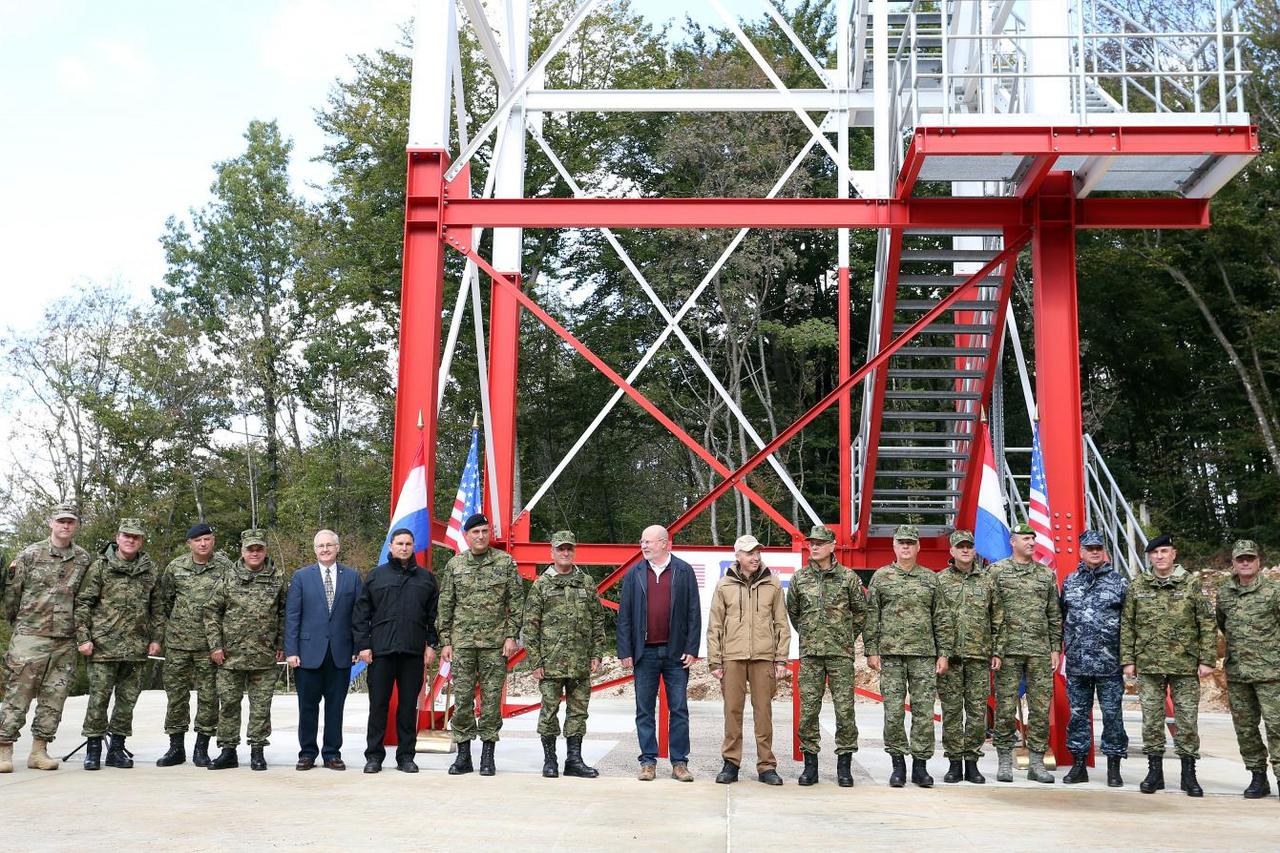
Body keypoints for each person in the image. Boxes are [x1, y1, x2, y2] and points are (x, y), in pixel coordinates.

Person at [1120, 533, 1215, 797]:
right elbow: (1128, 623)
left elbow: (1206, 622)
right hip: (1149, 664)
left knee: (1186, 720)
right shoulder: (1138, 585)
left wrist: (1207, 659)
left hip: (1184, 664)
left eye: (1164, 551)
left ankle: (1188, 774)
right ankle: (1154, 772)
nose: (1160, 557)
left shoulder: (1191, 584)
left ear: (1174, 554)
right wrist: (1128, 659)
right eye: (1155, 553)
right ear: (1149, 557)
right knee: (1151, 720)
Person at [0, 502, 92, 773]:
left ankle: (39, 751)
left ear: (75, 526)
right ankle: (4, 750)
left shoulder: (83, 558)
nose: (65, 525)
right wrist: (21, 626)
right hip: (30, 636)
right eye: (61, 520)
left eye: (70, 522)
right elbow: (11, 596)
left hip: (65, 638)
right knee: (18, 694)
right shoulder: (30, 554)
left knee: (55, 697)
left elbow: (84, 599)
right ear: (51, 523)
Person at [865, 524, 952, 788]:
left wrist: (944, 653)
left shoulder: (930, 578)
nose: (906, 547)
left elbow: (942, 617)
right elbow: (872, 616)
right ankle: (898, 765)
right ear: (894, 546)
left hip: (923, 655)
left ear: (918, 547)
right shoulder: (881, 577)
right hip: (891, 655)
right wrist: (871, 649)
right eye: (901, 542)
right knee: (893, 712)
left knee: (923, 713)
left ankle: (921, 766)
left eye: (910, 543)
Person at [74, 518, 163, 770]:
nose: (131, 540)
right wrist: (84, 637)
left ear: (141, 540)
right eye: (126, 535)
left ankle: (116, 748)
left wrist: (156, 638)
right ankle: (93, 749)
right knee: (98, 700)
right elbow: (83, 604)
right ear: (117, 537)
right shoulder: (100, 567)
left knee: (127, 702)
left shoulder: (149, 569)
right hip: (103, 646)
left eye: (136, 537)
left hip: (136, 647)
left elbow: (156, 607)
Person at [438, 514, 523, 776]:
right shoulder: (455, 565)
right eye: (475, 532)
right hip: (462, 645)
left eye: (485, 531)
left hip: (494, 645)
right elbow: (446, 604)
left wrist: (511, 636)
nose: (481, 536)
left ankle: (488, 755)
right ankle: (463, 756)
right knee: (462, 700)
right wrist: (445, 640)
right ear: (466, 536)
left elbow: (517, 602)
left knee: (490, 701)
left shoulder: (505, 562)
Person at [616, 524, 701, 782]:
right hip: (644, 654)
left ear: (664, 543)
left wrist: (692, 648)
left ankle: (679, 763)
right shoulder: (634, 574)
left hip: (676, 654)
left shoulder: (684, 571)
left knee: (679, 709)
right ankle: (648, 762)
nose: (643, 546)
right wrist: (625, 651)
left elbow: (693, 612)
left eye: (648, 542)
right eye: (642, 542)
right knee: (644, 709)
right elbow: (625, 617)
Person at [352, 528, 439, 774]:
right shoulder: (376, 577)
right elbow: (361, 615)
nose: (404, 547)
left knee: (408, 706)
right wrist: (364, 645)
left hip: (412, 653)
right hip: (380, 653)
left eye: (408, 544)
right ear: (390, 546)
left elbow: (434, 617)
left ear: (414, 547)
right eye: (399, 543)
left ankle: (406, 757)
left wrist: (431, 644)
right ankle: (374, 756)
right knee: (378, 705)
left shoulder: (426, 579)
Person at [786, 523, 866, 787]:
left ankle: (844, 766)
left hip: (840, 655)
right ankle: (811, 766)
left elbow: (860, 613)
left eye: (820, 543)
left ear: (832, 546)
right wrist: (811, 635)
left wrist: (844, 637)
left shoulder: (849, 578)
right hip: (811, 654)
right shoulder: (800, 579)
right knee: (809, 711)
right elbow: (794, 613)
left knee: (845, 711)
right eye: (812, 542)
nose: (815, 546)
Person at [707, 535, 790, 786]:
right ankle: (731, 764)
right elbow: (715, 625)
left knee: (763, 713)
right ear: (738, 557)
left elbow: (781, 623)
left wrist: (781, 659)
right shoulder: (724, 585)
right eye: (749, 553)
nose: (755, 557)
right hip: (732, 657)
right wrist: (715, 661)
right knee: (732, 712)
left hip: (764, 657)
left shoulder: (773, 584)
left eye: (757, 552)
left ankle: (766, 766)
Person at [522, 530, 605, 779]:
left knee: (578, 711)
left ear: (574, 551)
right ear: (552, 552)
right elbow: (530, 625)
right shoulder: (542, 584)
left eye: (569, 548)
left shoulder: (586, 583)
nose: (565, 553)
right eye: (560, 549)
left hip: (580, 660)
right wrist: (535, 661)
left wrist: (597, 653)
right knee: (549, 711)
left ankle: (574, 760)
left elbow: (597, 619)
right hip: (551, 662)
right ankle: (550, 760)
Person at [203, 529, 286, 771]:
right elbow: (211, 612)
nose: (255, 553)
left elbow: (283, 613)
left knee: (261, 705)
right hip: (230, 655)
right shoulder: (229, 577)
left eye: (259, 549)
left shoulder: (277, 578)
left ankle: (257, 750)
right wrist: (215, 645)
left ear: (265, 551)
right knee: (229, 703)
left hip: (264, 655)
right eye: (250, 549)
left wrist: (281, 644)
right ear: (242, 551)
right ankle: (228, 751)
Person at [154, 522, 234, 767]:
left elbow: (230, 603)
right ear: (189, 543)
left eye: (208, 539)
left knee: (209, 698)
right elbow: (164, 602)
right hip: (178, 644)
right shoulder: (175, 567)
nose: (203, 544)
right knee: (176, 697)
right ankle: (175, 748)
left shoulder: (225, 567)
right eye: (198, 540)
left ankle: (202, 748)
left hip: (209, 646)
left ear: (213, 541)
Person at [989, 522, 1062, 784]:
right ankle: (1005, 761)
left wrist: (1056, 647)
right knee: (1005, 708)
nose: (1031, 543)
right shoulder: (996, 572)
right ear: (1013, 542)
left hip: (1039, 650)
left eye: (1033, 538)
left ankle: (1036, 763)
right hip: (1007, 651)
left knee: (1040, 709)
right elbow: (990, 613)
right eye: (1026, 539)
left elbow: (1054, 614)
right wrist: (993, 648)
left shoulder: (1045, 575)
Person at [284, 529, 362, 771]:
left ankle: (331, 753)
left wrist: (358, 647)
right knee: (307, 706)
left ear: (338, 548)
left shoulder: (352, 577)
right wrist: (291, 650)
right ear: (314, 549)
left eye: (330, 545)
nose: (325, 549)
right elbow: (292, 616)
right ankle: (307, 753)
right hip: (307, 654)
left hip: (341, 653)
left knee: (335, 707)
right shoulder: (301, 577)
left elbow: (359, 616)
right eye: (321, 546)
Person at [1059, 529, 1128, 787]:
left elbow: (1129, 624)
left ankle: (1113, 767)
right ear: (1081, 551)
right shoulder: (1070, 582)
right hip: (1078, 663)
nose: (1095, 551)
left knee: (1113, 716)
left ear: (1104, 551)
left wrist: (1128, 658)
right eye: (1090, 548)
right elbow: (1060, 619)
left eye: (1099, 547)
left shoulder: (1119, 583)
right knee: (1078, 716)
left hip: (1109, 664)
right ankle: (1078, 766)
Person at [1216, 539, 1280, 800]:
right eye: (1240, 559)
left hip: (1271, 674)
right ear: (1233, 563)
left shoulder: (1273, 591)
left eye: (1249, 558)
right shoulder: (1224, 593)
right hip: (1239, 673)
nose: (1245, 562)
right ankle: (1257, 777)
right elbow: (1223, 625)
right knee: (1245, 728)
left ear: (1258, 562)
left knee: (1277, 726)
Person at [935, 529, 996, 785]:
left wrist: (997, 651)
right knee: (951, 712)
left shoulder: (987, 581)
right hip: (950, 659)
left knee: (975, 712)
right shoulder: (939, 581)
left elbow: (998, 618)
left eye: (969, 546)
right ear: (951, 551)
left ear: (974, 550)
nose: (965, 550)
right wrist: (940, 654)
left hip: (978, 657)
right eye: (960, 546)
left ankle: (972, 762)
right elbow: (934, 619)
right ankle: (953, 763)